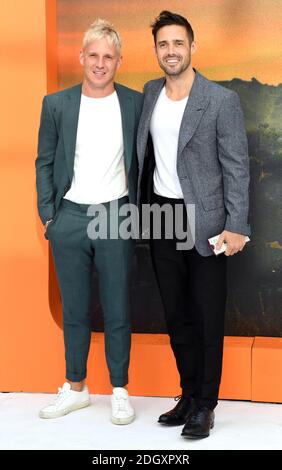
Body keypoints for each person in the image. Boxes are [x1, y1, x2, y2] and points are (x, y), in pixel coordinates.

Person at [137, 11, 250, 438]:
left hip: (207, 224)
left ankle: (206, 403)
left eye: (178, 43)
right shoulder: (150, 93)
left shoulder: (221, 100)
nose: (171, 51)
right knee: (176, 313)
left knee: (206, 315)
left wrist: (237, 225)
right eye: (163, 45)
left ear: (192, 47)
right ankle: (187, 393)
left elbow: (236, 168)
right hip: (161, 217)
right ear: (156, 51)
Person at [36, 19, 143, 424]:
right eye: (93, 55)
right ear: (81, 57)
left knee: (118, 308)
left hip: (115, 216)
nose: (100, 63)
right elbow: (44, 161)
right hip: (69, 218)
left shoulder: (134, 103)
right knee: (75, 309)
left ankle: (119, 389)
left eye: (108, 57)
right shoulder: (56, 104)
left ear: (119, 62)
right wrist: (49, 216)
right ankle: (76, 387)